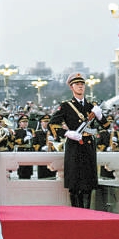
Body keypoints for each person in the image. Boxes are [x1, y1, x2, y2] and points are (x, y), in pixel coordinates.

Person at [49, 73, 105, 208]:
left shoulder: (91, 106)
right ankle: (77, 212)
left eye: (82, 84)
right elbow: (52, 124)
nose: (80, 87)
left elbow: (106, 125)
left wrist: (100, 115)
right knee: (75, 183)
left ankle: (88, 212)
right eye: (77, 85)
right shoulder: (66, 106)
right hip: (74, 146)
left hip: (88, 146)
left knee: (88, 183)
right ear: (71, 87)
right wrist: (68, 133)